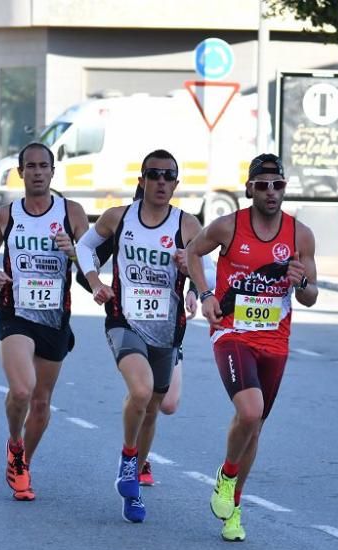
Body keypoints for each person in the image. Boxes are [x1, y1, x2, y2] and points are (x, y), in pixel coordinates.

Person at [186, 153, 318, 542]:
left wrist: (300, 282)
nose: (271, 192)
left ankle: (234, 507)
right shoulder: (228, 227)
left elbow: (311, 295)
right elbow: (193, 252)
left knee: (254, 427)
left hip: (275, 339)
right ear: (250, 189)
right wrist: (206, 293)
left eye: (278, 185)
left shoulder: (300, 235)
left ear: (284, 188)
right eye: (263, 185)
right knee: (250, 409)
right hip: (231, 332)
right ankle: (227, 475)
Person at [75, 149, 203, 523]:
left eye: (168, 176)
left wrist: (194, 285)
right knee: (142, 391)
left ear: (176, 184)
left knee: (152, 410)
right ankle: (129, 461)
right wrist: (96, 281)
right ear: (142, 180)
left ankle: (135, 473)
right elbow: (85, 246)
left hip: (167, 328)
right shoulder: (119, 217)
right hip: (124, 320)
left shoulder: (188, 225)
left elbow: (204, 263)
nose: (161, 182)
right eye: (154, 175)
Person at [0, 142, 89, 502]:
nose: (38, 172)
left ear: (53, 172)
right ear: (21, 172)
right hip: (16, 312)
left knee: (41, 402)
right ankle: (14, 442)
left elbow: (91, 266)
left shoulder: (71, 212)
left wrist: (74, 251)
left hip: (56, 318)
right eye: (31, 166)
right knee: (22, 390)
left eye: (45, 166)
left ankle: (22, 461)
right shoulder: (6, 215)